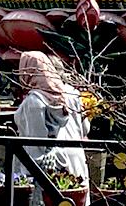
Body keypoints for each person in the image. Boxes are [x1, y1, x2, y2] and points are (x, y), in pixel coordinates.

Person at [12, 51, 89, 194]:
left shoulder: (35, 100)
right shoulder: (70, 94)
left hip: (48, 163)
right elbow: (85, 129)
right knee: (77, 205)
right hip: (75, 155)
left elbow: (35, 144)